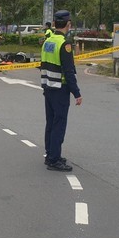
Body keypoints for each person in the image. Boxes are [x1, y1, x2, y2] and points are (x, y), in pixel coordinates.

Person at [40, 10, 82, 171]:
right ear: (68, 24)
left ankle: (50, 154)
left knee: (50, 122)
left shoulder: (48, 41)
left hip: (48, 87)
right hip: (60, 88)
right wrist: (76, 93)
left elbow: (43, 65)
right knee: (59, 124)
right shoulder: (65, 44)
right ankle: (54, 159)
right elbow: (69, 71)